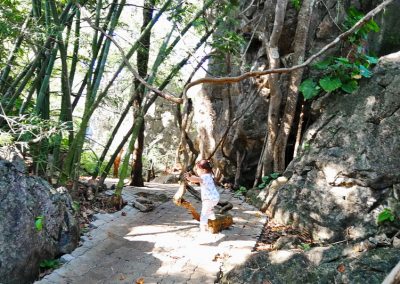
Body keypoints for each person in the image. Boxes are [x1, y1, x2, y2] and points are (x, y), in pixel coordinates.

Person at [184, 159, 220, 233]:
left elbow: (195, 180)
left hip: (208, 199)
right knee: (209, 211)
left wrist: (188, 178)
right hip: (214, 198)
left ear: (203, 170)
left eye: (197, 169)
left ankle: (203, 229)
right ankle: (214, 221)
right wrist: (191, 176)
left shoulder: (205, 176)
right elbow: (197, 178)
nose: (196, 170)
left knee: (203, 214)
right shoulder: (209, 175)